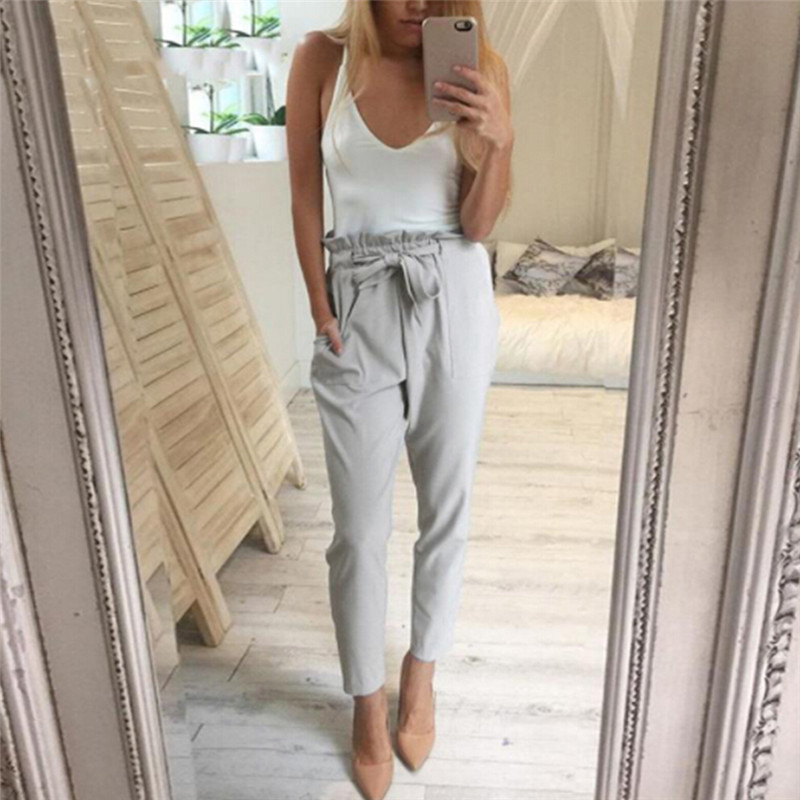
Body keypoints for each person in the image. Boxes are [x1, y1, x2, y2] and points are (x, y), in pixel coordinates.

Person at [286, 1, 513, 797]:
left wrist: (498, 143)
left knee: (447, 507)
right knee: (357, 529)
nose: (417, 1)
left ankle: (421, 674)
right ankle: (365, 700)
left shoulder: (477, 67)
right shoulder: (320, 60)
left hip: (453, 290)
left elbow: (477, 225)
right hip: (357, 298)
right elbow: (306, 196)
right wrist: (320, 306)